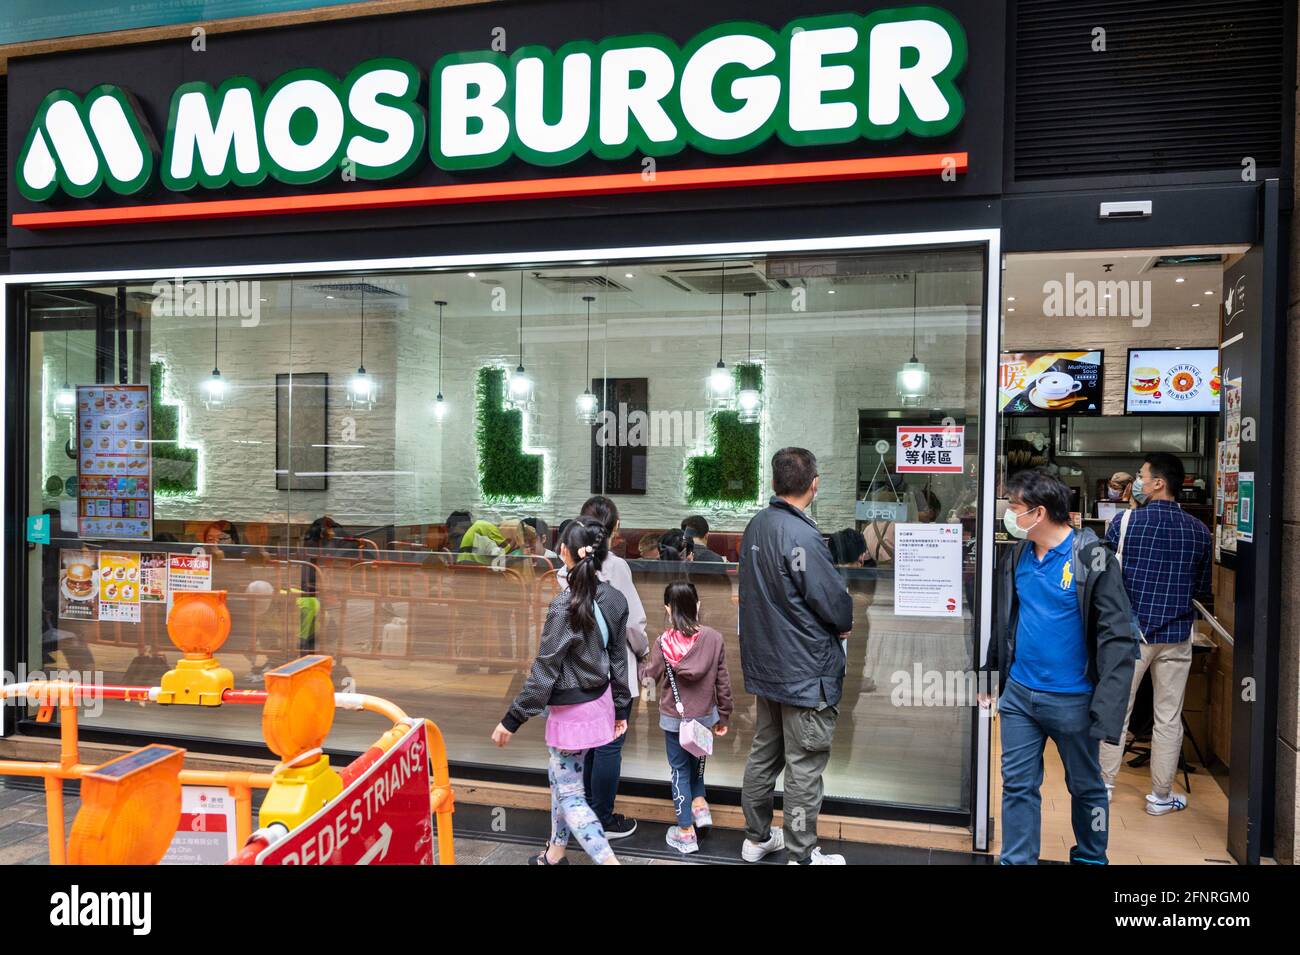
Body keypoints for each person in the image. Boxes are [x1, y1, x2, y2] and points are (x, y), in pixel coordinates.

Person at [981, 469, 1137, 865]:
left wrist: (1109, 710)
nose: (1008, 514)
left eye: (1013, 507)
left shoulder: (1093, 556)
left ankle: (1090, 857)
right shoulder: (1015, 555)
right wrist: (990, 673)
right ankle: (1017, 860)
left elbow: (1118, 637)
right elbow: (1004, 621)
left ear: (1038, 512)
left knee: (1086, 788)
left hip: (1074, 700)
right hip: (1019, 695)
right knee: (1017, 785)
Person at [738, 447, 853, 865]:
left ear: (773, 483)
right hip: (806, 669)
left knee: (764, 752)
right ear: (815, 484)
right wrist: (844, 620)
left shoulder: (756, 527)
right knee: (804, 766)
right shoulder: (802, 534)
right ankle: (801, 855)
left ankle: (755, 837)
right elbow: (832, 602)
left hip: (767, 665)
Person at [491, 518, 629, 865]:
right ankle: (554, 853)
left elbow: (545, 671)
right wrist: (622, 707)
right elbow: (618, 658)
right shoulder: (614, 599)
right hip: (599, 706)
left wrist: (512, 719)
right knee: (564, 782)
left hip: (570, 717)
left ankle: (608, 861)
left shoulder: (562, 606)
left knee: (570, 795)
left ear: (563, 552)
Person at [1100, 452, 1211, 815]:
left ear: (1159, 483)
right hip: (1177, 634)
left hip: (1129, 634)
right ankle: (1161, 797)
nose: (1139, 482)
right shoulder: (1200, 531)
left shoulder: (1125, 522)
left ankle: (1103, 788)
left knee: (1117, 711)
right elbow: (1201, 589)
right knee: (1168, 716)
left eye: (1143, 476)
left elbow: (1105, 578)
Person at [558, 495, 648, 839]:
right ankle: (602, 819)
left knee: (585, 744)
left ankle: (581, 813)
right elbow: (633, 625)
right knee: (609, 743)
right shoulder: (617, 567)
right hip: (613, 668)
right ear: (615, 529)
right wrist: (644, 653)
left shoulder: (565, 566)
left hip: (578, 668)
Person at [639, 581, 732, 855]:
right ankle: (700, 809)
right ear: (698, 605)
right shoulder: (714, 638)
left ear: (668, 609)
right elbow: (723, 682)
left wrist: (641, 670)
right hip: (704, 717)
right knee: (697, 764)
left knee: (679, 770)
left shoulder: (662, 642)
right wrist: (723, 715)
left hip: (674, 720)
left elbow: (649, 679)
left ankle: (685, 831)